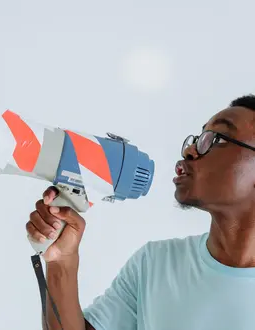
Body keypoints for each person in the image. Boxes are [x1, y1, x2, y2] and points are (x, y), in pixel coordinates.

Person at [26, 95, 255, 330]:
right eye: (197, 139)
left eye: (214, 139)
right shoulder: (155, 263)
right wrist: (62, 262)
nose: (189, 150)